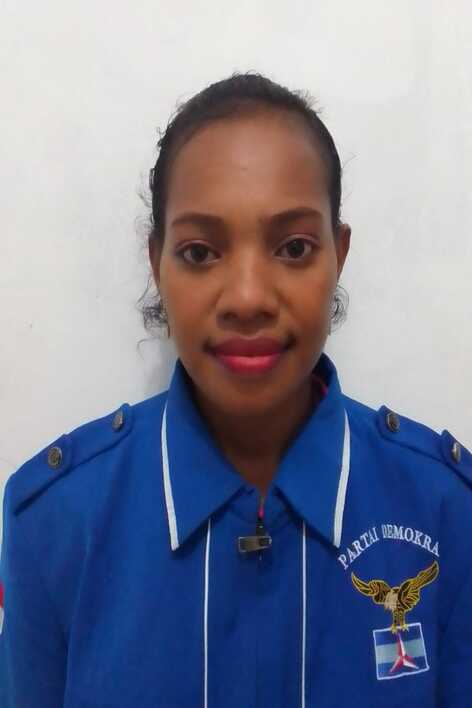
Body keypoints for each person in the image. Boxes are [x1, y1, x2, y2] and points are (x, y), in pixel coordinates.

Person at [0, 72, 471, 708]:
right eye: (200, 253)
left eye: (294, 247)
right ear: (156, 263)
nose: (248, 298)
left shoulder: (445, 510)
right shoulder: (56, 523)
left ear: (339, 254)